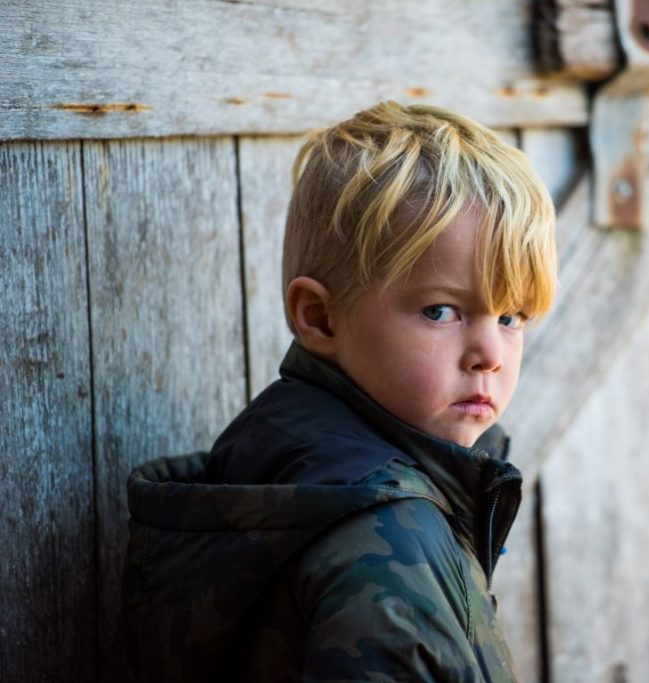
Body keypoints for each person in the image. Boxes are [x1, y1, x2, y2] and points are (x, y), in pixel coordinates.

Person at [122, 101, 557, 682]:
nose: (490, 354)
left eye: (512, 316)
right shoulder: (384, 546)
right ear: (321, 319)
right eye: (440, 310)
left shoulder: (286, 468)